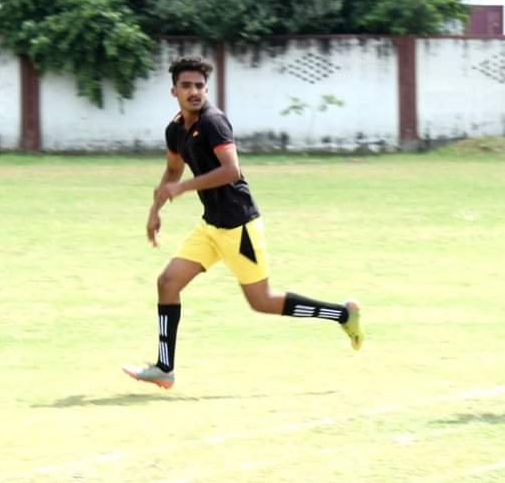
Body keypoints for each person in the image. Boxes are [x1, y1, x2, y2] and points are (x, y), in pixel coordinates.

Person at [122, 56, 362, 389]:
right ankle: (164, 369)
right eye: (186, 86)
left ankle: (343, 314)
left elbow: (231, 170)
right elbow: (173, 171)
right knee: (167, 283)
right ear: (174, 91)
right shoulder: (175, 129)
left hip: (239, 226)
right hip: (211, 226)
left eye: (200, 86)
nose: (194, 91)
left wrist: (183, 188)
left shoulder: (213, 122)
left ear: (206, 90)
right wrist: (155, 210)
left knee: (261, 301)